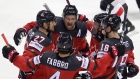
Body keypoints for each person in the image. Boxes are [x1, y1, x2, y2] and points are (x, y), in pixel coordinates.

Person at [2, 33, 125, 79]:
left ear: (57, 46)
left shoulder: (45, 56)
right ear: (72, 47)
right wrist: (112, 53)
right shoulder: (78, 61)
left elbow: (25, 65)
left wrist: (12, 54)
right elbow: (99, 67)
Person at [13, 5, 89, 57]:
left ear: (76, 19)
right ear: (63, 17)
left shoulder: (81, 30)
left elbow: (84, 49)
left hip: (69, 66)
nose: (70, 22)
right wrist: (23, 29)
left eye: (72, 19)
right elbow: (38, 24)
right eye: (67, 18)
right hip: (52, 63)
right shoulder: (55, 24)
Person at [4, 10, 56, 79]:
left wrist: (23, 29)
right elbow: (26, 64)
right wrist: (13, 56)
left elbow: (32, 24)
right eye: (52, 22)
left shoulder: (36, 28)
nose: (55, 24)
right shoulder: (39, 42)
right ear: (45, 24)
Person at [93, 14, 139, 79]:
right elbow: (129, 55)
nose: (102, 28)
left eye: (104, 26)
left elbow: (100, 66)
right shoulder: (127, 40)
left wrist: (131, 64)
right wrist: (132, 64)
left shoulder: (105, 44)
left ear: (108, 28)